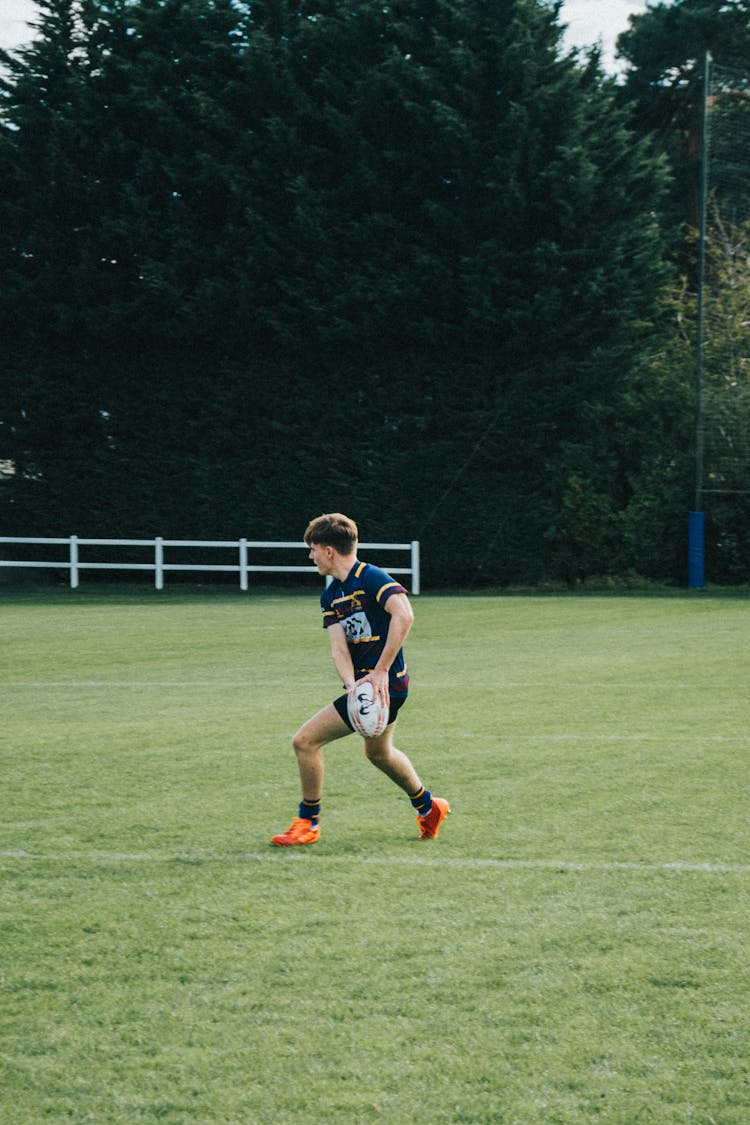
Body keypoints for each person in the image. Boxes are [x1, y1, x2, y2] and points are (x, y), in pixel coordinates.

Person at [271, 512, 450, 846]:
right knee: (379, 754)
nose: (310, 557)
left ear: (328, 550)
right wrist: (353, 686)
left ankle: (308, 823)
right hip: (369, 688)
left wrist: (379, 672)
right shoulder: (331, 596)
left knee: (305, 742)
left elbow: (405, 614)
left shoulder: (370, 577)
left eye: (313, 549)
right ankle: (429, 807)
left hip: (388, 684)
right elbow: (339, 649)